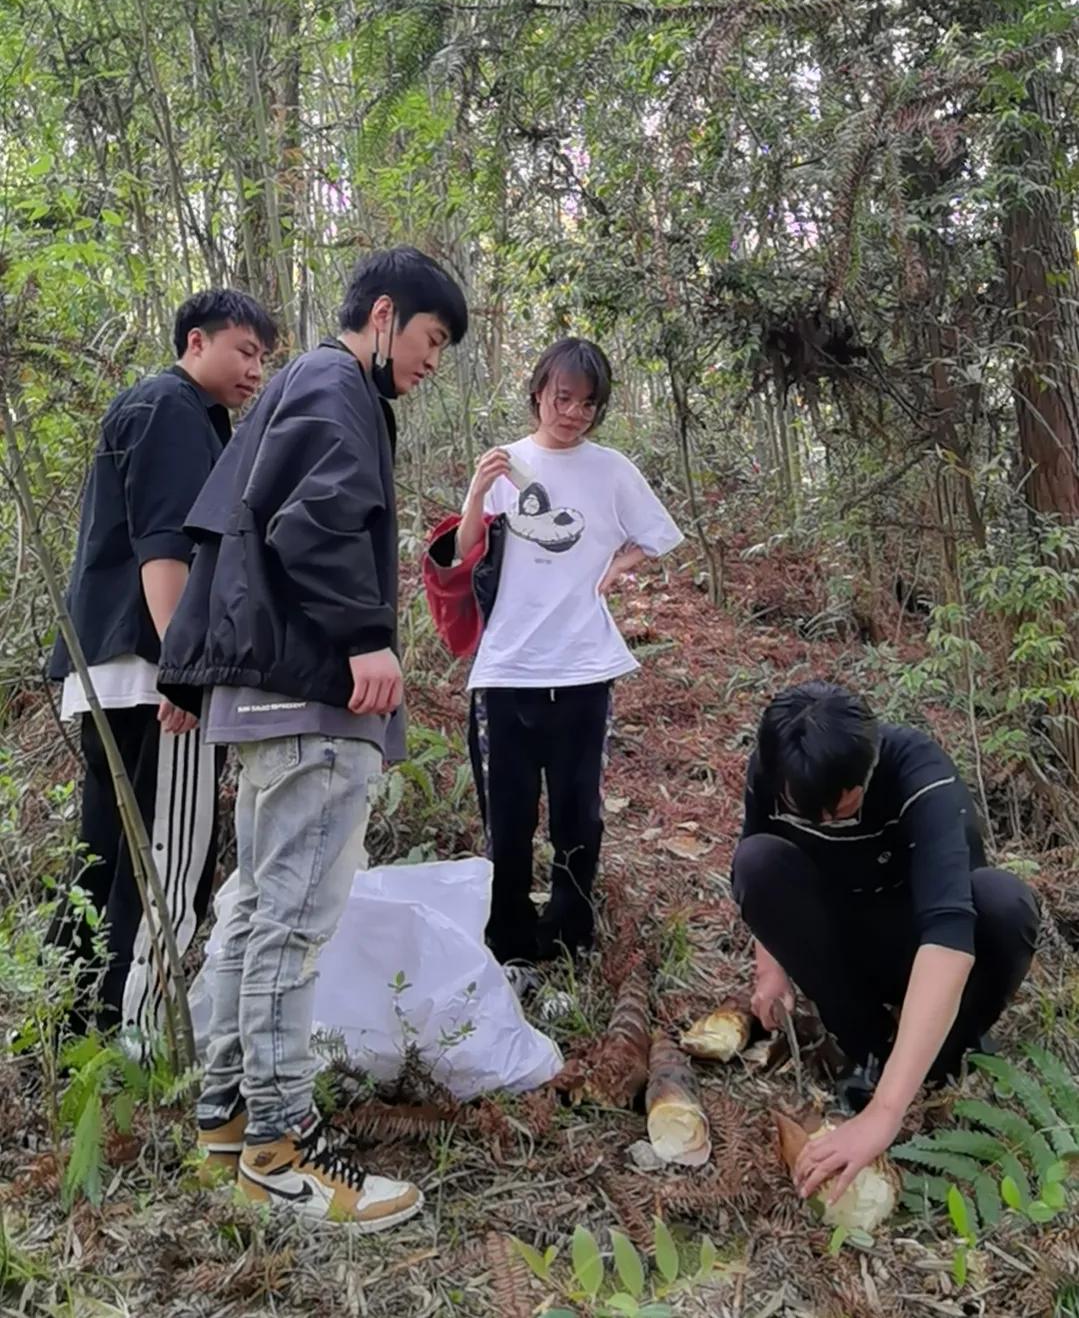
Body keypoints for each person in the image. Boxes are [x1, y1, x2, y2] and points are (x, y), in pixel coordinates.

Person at [158, 246, 467, 1229]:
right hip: (310, 696)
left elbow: (239, 525)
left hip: (263, 696)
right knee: (289, 924)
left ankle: (225, 1119)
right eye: (428, 340)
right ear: (384, 315)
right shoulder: (336, 385)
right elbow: (315, 521)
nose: (429, 363)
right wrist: (367, 636)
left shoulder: (295, 386)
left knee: (252, 913)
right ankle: (283, 1150)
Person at [48, 290, 277, 1039]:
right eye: (244, 351)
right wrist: (186, 667)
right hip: (154, 676)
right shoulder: (174, 410)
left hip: (107, 670)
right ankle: (141, 1036)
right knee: (164, 858)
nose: (255, 370)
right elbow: (163, 548)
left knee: (106, 855)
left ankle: (74, 1022)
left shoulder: (158, 410)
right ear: (195, 341)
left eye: (263, 358)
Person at [731, 681, 1040, 1202]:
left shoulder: (919, 773)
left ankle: (940, 1055)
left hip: (919, 939)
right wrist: (772, 970)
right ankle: (867, 1048)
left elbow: (948, 935)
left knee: (1006, 904)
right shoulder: (773, 768)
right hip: (840, 942)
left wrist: (884, 1114)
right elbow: (762, 859)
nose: (827, 822)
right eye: (811, 814)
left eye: (842, 808)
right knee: (757, 863)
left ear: (868, 764)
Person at [447, 338, 683, 966]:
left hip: (584, 667)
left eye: (587, 403)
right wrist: (477, 491)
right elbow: (465, 549)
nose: (573, 412)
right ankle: (511, 944)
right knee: (508, 817)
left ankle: (572, 935)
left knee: (578, 816)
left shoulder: (611, 470)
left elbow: (658, 535)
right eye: (563, 397)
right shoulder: (507, 464)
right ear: (538, 394)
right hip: (508, 669)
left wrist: (617, 567)